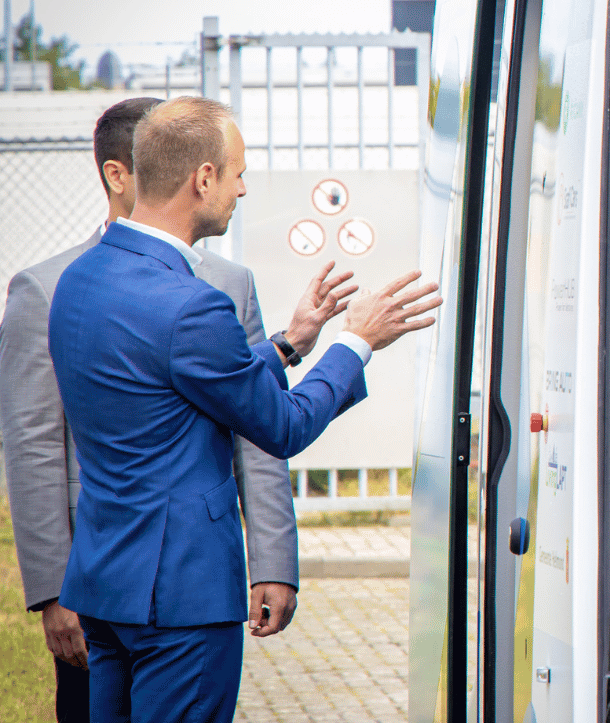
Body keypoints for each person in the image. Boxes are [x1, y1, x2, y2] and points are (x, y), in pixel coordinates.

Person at [45, 96, 441, 723]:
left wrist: (287, 344)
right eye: (237, 173)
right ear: (202, 178)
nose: (244, 188)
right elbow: (282, 427)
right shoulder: (191, 306)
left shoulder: (80, 279)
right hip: (181, 599)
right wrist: (355, 343)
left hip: (106, 586)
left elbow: (169, 386)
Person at [0, 97, 296, 723]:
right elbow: (32, 444)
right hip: (95, 583)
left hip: (186, 575)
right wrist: (54, 590)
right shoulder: (47, 287)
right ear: (120, 172)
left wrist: (273, 560)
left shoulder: (226, 283)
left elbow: (251, 422)